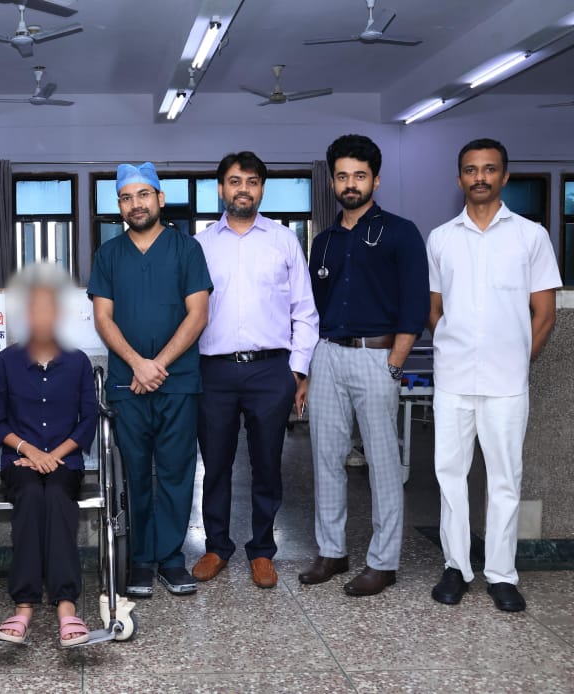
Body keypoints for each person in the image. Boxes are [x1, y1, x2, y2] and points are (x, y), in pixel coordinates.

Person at [426, 139, 560, 612]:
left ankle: (502, 574)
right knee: (450, 476)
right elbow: (434, 308)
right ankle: (456, 567)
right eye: (470, 169)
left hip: (506, 384)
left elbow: (545, 313)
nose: (479, 177)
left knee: (505, 479)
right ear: (459, 178)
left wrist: (517, 360)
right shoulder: (441, 239)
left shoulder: (531, 236)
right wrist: (452, 346)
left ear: (504, 176)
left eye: (489, 169)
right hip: (453, 380)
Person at [301, 134, 430, 596]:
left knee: (382, 462)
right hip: (328, 356)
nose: (350, 184)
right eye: (342, 176)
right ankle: (332, 552)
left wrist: (395, 363)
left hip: (378, 357)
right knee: (326, 459)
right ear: (332, 182)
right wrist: (309, 367)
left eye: (359, 175)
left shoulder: (400, 232)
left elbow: (415, 303)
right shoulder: (324, 242)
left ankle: (383, 562)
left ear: (375, 180)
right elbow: (312, 309)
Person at [193, 152, 319, 589]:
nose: (242, 189)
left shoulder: (284, 241)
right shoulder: (201, 245)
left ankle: (263, 550)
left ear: (262, 189)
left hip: (270, 372)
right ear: (221, 189)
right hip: (214, 371)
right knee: (216, 466)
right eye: (234, 181)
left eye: (251, 181)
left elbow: (305, 311)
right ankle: (216, 546)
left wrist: (296, 371)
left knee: (267, 465)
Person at [88, 162, 212, 597]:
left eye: (143, 195)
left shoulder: (187, 250)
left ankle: (172, 558)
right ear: (119, 206)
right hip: (128, 385)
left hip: (178, 382)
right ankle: (141, 559)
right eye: (126, 198)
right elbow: (103, 319)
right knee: (135, 474)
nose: (135, 204)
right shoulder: (108, 255)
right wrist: (136, 364)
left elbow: (198, 314)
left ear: (160, 198)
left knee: (177, 472)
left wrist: (155, 364)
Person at [0, 263, 97, 647]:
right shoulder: (5, 363)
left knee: (57, 497)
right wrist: (32, 451)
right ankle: (24, 606)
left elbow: (88, 421)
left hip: (66, 461)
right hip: (20, 461)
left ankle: (66, 605)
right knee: (32, 494)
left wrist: (54, 455)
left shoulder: (78, 362)